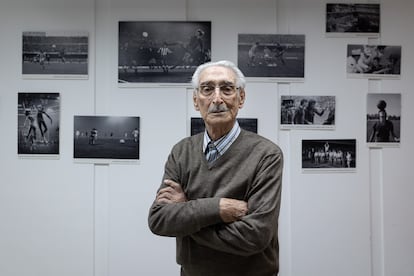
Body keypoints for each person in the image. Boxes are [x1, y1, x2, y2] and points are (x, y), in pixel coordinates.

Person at [148, 60, 283, 276]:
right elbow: (159, 220)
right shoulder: (181, 151)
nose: (217, 98)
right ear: (196, 100)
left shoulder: (266, 154)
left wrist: (187, 213)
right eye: (207, 89)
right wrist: (216, 208)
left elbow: (255, 236)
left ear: (241, 98)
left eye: (227, 89)